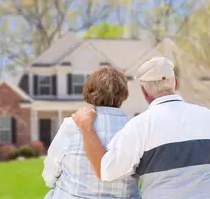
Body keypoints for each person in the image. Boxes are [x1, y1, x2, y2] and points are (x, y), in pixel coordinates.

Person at [72, 57, 210, 199]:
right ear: (175, 82)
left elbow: (106, 171)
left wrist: (87, 127)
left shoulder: (139, 126)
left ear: (143, 90)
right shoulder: (206, 116)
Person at [42, 67, 141, 199]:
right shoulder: (135, 129)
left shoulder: (72, 125)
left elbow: (52, 168)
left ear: (90, 91)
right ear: (124, 94)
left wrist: (52, 183)